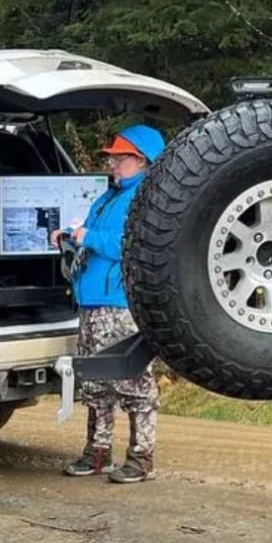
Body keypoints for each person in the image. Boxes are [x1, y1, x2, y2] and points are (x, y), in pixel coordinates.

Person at [53, 124, 163, 483]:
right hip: (91, 303)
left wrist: (90, 237)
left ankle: (141, 457)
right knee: (95, 382)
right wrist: (70, 237)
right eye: (111, 157)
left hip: (121, 304)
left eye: (120, 157)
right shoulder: (107, 197)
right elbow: (93, 237)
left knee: (132, 381)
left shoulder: (148, 199)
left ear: (143, 161)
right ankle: (98, 454)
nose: (112, 163)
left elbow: (134, 246)